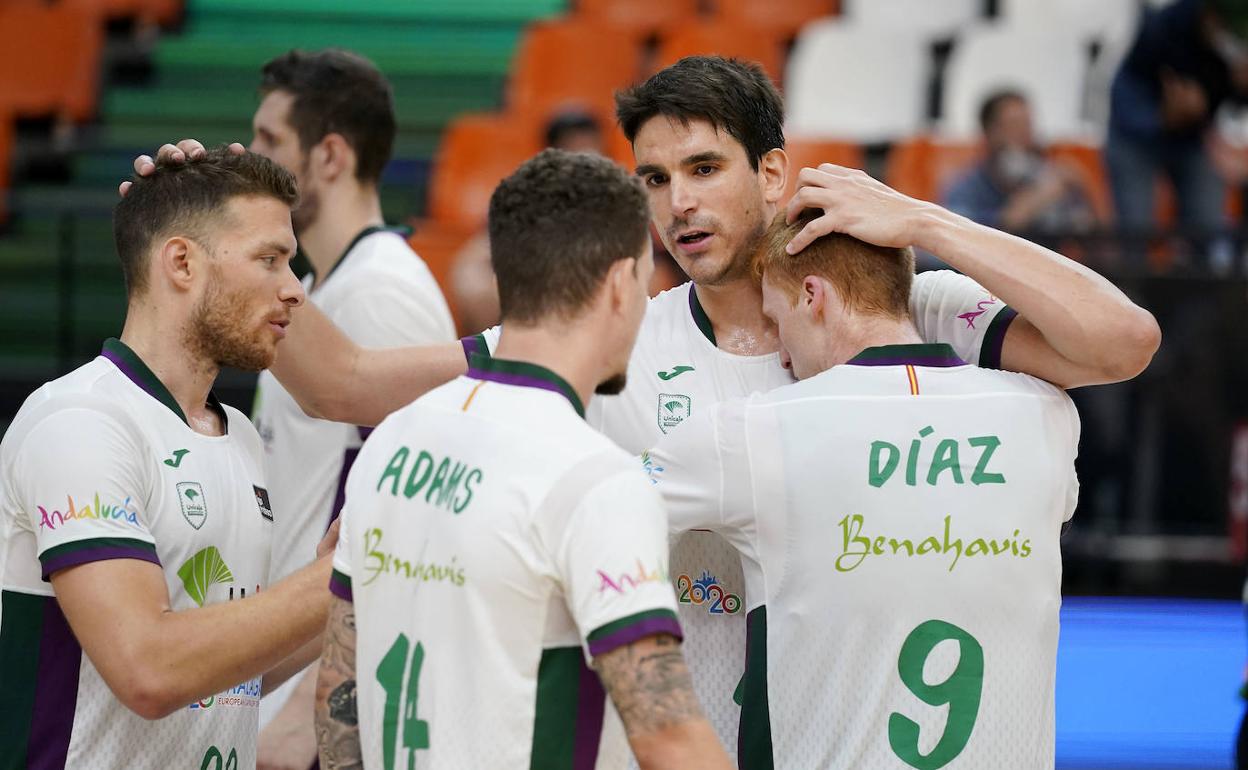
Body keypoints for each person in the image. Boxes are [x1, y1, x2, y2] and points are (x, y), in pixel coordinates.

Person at [134, 55, 1161, 760]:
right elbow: (346, 384)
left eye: (706, 169)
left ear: (773, 172)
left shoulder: (911, 309)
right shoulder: (617, 343)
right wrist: (227, 235)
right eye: (655, 178)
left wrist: (927, 219)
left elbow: (1120, 342)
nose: (678, 205)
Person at [646, 165, 1087, 768]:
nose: (779, 351)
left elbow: (586, 512)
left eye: (776, 321)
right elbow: (1131, 336)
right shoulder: (1048, 416)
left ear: (813, 295)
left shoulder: (752, 432)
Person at [313, 149, 732, 769]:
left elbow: (337, 699)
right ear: (621, 283)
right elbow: (667, 736)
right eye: (647, 280)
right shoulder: (595, 480)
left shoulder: (391, 444)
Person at [0, 148, 336, 769]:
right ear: (181, 262)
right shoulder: (80, 422)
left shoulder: (233, 432)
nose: (293, 290)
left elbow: (225, 679)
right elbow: (150, 669)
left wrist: (343, 598)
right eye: (270, 260)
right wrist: (333, 578)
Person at [244, 49, 455, 768]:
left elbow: (422, 519)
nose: (251, 156)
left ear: (330, 154)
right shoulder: (317, 287)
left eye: (271, 142)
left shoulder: (381, 292)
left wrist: (312, 707)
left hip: (313, 694)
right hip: (278, 659)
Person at [1106, 0, 1248, 259]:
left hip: (1193, 138)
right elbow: (1129, 92)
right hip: (1137, 135)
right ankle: (1133, 293)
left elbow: (1229, 97)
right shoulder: (1167, 25)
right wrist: (1163, 116)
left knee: (1207, 225)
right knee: (1136, 230)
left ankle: (1201, 297)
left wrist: (1240, 87)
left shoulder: (1232, 41)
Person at [448, 108, 605, 335]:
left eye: (590, 149)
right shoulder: (521, 203)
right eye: (572, 149)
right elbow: (472, 264)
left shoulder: (625, 203)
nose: (584, 158)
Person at [944, 89, 1099, 236]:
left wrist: (1084, 188)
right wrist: (1036, 199)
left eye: (1027, 125)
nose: (1024, 134)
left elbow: (1095, 241)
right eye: (1014, 125)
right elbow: (957, 242)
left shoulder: (1051, 175)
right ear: (990, 132)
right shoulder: (965, 189)